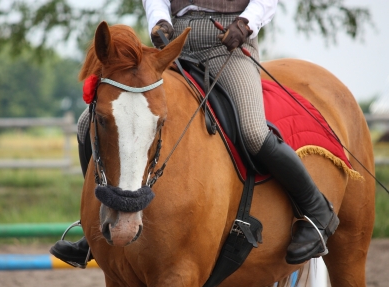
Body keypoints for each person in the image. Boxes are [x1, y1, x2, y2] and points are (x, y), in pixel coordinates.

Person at [50, 0, 339, 267]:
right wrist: (160, 20)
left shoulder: (238, 33)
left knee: (252, 131)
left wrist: (246, 23)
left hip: (228, 45)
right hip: (174, 44)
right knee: (87, 124)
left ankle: (317, 212)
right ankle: (94, 225)